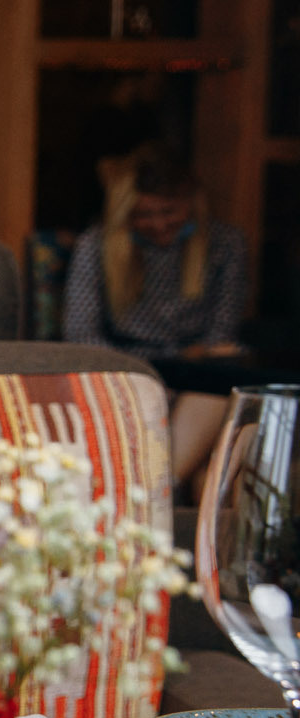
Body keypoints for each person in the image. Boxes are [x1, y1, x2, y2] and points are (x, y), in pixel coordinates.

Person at [61, 145, 249, 490]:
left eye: (169, 211)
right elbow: (81, 336)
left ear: (191, 203)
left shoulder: (226, 244)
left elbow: (221, 336)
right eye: (145, 214)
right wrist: (161, 364)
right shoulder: (96, 245)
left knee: (218, 392)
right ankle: (162, 490)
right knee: (208, 477)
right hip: (126, 371)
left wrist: (191, 364)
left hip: (198, 379)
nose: (159, 224)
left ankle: (155, 490)